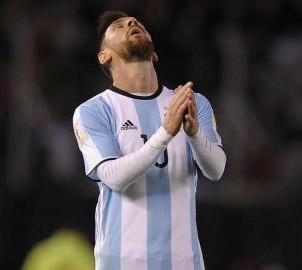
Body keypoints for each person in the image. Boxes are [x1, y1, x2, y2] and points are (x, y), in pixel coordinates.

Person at [72, 10, 226, 270]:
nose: (131, 22)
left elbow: (217, 170)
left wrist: (194, 135)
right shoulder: (94, 110)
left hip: (184, 262)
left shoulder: (192, 102)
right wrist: (165, 133)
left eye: (136, 22)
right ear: (104, 56)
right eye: (119, 26)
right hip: (122, 262)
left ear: (154, 53)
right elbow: (113, 177)